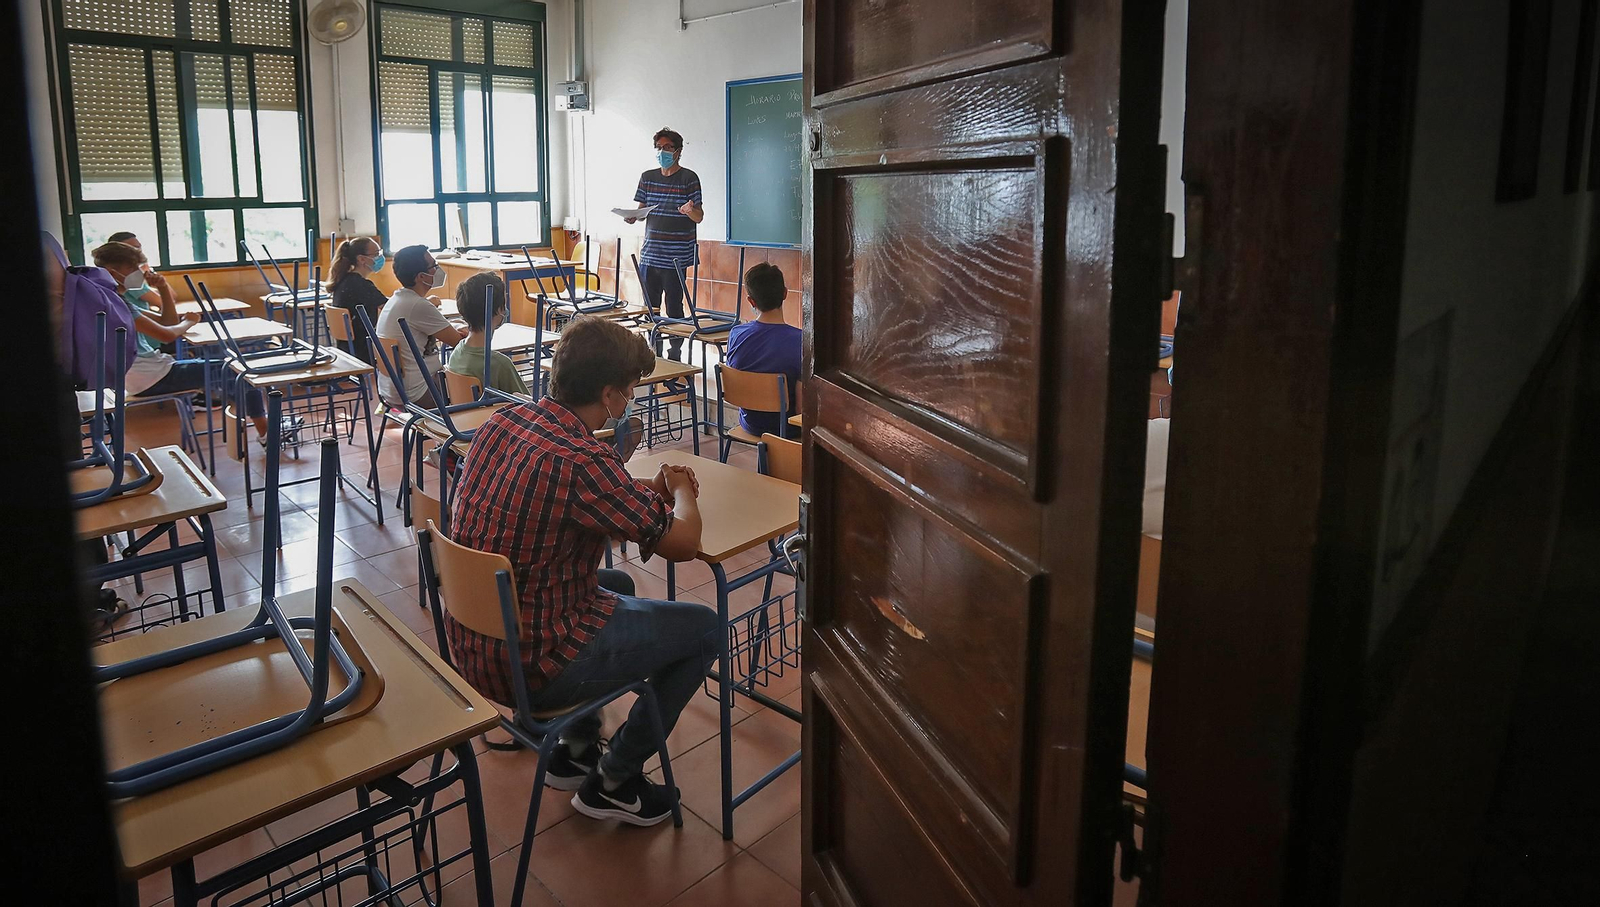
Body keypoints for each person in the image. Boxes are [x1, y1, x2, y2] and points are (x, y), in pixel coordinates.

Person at [445, 316, 714, 826]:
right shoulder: (583, 458)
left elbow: (587, 502)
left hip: (476, 642)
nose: (631, 397)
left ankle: (575, 747)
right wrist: (679, 488)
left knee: (614, 583)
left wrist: (644, 493)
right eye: (630, 388)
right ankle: (615, 781)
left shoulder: (502, 423)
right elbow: (685, 542)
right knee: (702, 630)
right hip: (529, 669)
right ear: (610, 394)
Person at [90, 242, 270, 439]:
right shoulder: (115, 302)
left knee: (228, 372)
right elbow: (167, 334)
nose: (139, 274)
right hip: (152, 377)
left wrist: (163, 287)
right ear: (112, 272)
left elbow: (167, 321)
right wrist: (188, 323)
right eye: (132, 269)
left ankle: (253, 423)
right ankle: (266, 434)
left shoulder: (112, 298)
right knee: (239, 372)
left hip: (152, 372)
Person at [624, 127, 703, 361]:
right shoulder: (647, 177)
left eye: (667, 147)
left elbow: (699, 216)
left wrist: (690, 210)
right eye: (658, 147)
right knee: (651, 309)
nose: (662, 151)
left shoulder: (689, 178)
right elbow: (641, 211)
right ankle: (653, 355)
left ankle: (675, 356)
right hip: (651, 254)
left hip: (676, 256)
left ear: (678, 151)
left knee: (674, 308)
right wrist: (632, 217)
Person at [373, 245, 464, 408]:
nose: (438, 269)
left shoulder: (397, 299)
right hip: (418, 393)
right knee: (475, 386)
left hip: (392, 390)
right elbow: (458, 342)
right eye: (434, 266)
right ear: (421, 276)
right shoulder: (418, 305)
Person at [724, 261, 801, 438]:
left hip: (750, 423)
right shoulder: (801, 342)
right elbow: (801, 409)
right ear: (785, 293)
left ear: (751, 301)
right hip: (787, 430)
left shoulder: (736, 334)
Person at [447, 272, 528, 396]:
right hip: (491, 414)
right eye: (504, 304)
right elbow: (529, 406)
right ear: (496, 311)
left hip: (465, 415)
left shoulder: (457, 352)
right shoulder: (500, 364)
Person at [325, 236, 388, 364]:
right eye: (376, 254)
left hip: (346, 348)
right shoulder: (360, 285)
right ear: (362, 259)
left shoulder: (344, 280)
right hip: (363, 350)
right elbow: (391, 308)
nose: (380, 257)